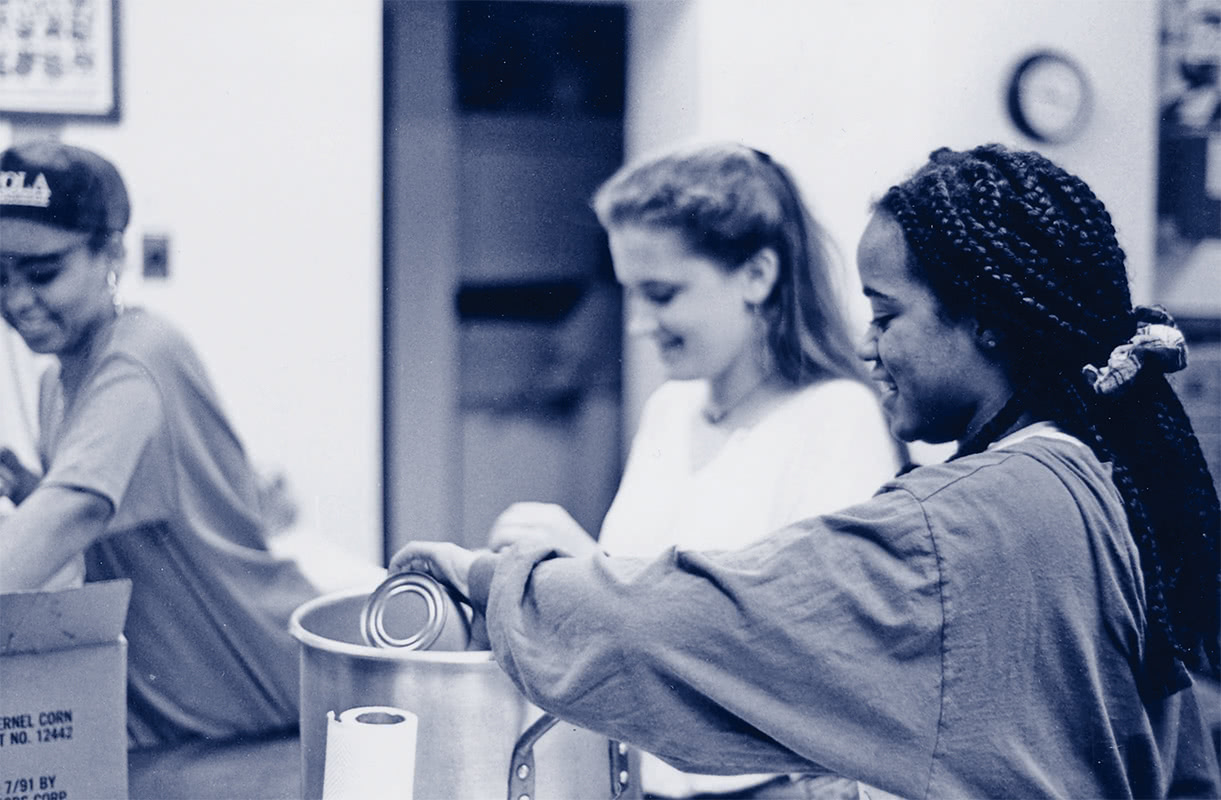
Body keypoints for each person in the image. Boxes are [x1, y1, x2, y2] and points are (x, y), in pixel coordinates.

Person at [392, 143, 1221, 798]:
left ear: (988, 323)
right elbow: (1181, 765)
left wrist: (491, 579)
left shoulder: (965, 519)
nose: (869, 344)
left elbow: (699, 626)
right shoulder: (1096, 478)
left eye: (888, 314)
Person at [486, 141, 901, 799]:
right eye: (630, 295)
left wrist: (588, 568)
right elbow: (638, 621)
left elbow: (809, 665)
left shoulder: (836, 419)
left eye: (661, 294)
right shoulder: (671, 409)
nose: (638, 326)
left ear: (757, 275)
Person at [0, 140, 321, 747]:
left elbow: (72, 514)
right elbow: (104, 518)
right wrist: (28, 486)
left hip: (260, 712)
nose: (17, 300)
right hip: (177, 721)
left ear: (111, 254)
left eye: (43, 274)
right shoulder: (56, 381)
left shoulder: (139, 359)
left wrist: (48, 504)